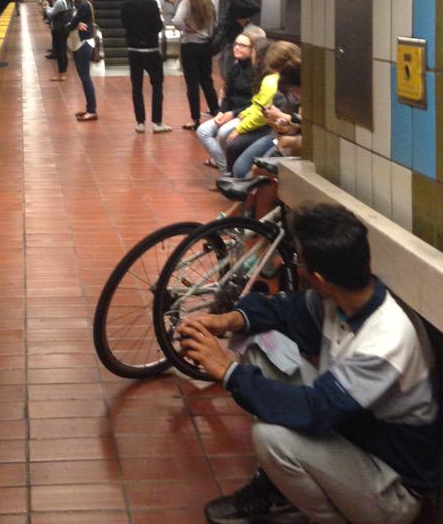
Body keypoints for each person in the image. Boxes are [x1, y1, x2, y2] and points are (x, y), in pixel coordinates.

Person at [177, 204, 441, 524]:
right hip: (351, 435)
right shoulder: (344, 296)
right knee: (258, 343)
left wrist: (226, 371)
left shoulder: (385, 342)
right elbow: (286, 311)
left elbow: (316, 409)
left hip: (392, 487)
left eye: (299, 261)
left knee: (271, 438)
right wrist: (227, 320)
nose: (295, 266)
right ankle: (289, 488)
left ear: (319, 278)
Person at [221, 40, 300, 180]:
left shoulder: (291, 85)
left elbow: (301, 125)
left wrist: (240, 128)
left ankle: (242, 187)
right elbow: (257, 105)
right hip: (278, 133)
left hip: (284, 137)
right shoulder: (271, 79)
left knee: (252, 169)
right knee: (241, 166)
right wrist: (278, 121)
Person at [120, 0, 171, 134]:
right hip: (151, 50)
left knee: (137, 87)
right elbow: (157, 27)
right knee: (157, 85)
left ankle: (140, 122)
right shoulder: (151, 3)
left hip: (133, 50)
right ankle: (157, 122)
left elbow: (124, 24)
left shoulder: (126, 3)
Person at [196, 31, 255, 168]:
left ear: (252, 50)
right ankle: (225, 167)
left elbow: (253, 102)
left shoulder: (255, 72)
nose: (237, 47)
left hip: (244, 114)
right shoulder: (234, 67)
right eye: (236, 44)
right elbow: (227, 94)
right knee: (203, 131)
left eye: (242, 45)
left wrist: (233, 114)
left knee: (223, 133)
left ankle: (226, 169)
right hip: (229, 112)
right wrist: (221, 111)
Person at [173, 0, 220, 131]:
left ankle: (195, 119)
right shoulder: (210, 2)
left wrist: (188, 29)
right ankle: (216, 113)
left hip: (189, 46)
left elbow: (177, 21)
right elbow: (215, 23)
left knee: (192, 83)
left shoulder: (186, 3)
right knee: (207, 81)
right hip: (205, 46)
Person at [216, 0, 260, 78]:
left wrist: (241, 16)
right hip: (230, 37)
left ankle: (230, 87)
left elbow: (255, 7)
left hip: (233, 38)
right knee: (225, 68)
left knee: (228, 71)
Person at [66, 0, 97, 122]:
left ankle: (92, 111)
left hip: (84, 44)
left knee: (85, 78)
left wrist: (73, 24)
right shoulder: (76, 4)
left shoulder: (84, 5)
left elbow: (70, 24)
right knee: (83, 78)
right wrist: (74, 23)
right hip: (77, 44)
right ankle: (89, 108)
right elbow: (70, 20)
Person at [43, 0, 71, 81]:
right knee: (63, 50)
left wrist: (47, 7)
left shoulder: (59, 2)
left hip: (58, 30)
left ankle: (61, 74)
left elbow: (51, 14)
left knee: (59, 52)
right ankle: (64, 72)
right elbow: (56, 11)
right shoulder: (65, 0)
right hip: (64, 29)